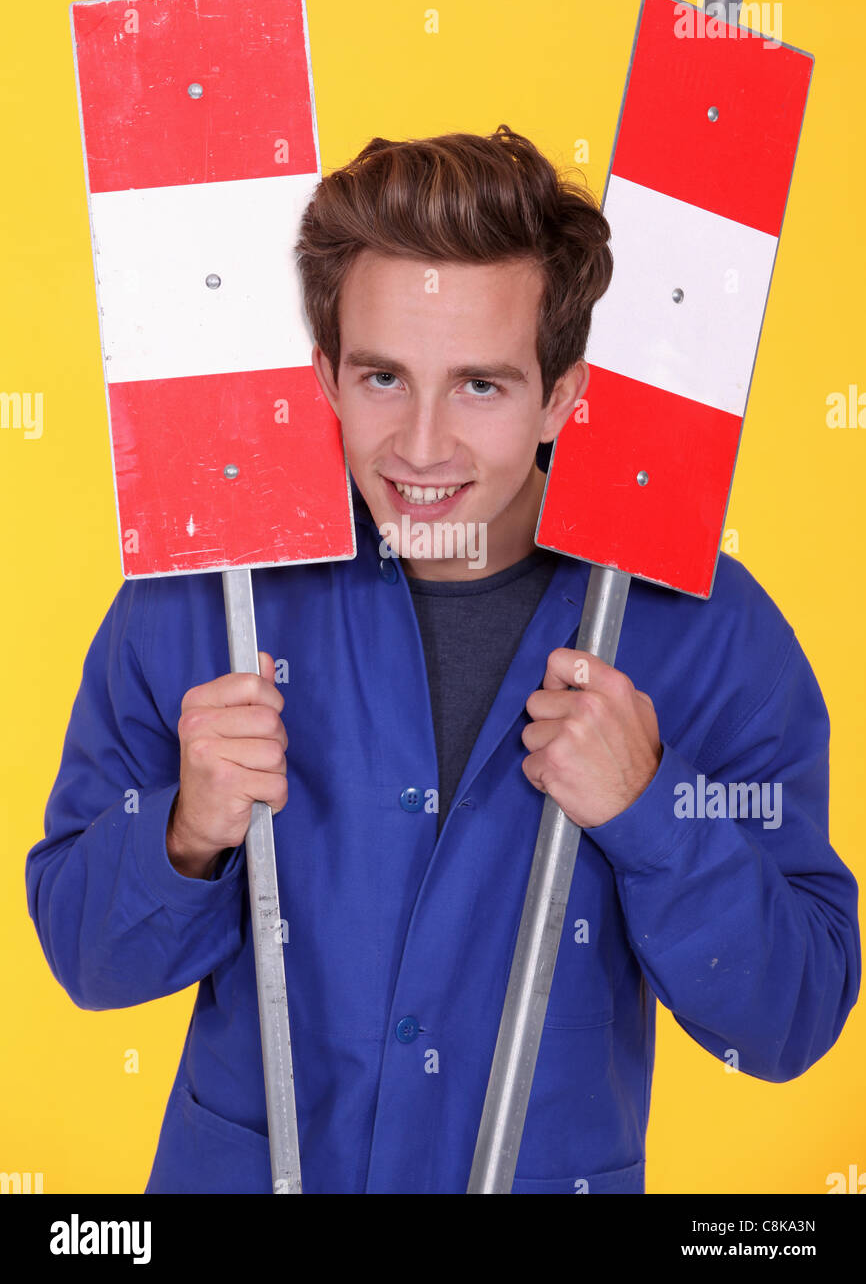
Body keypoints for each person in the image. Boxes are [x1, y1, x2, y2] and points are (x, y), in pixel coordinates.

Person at [26, 126, 860, 1195]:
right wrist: (184, 834)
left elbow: (785, 1016)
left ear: (563, 394)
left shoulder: (701, 626)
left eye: (480, 386)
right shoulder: (208, 592)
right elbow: (87, 962)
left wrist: (649, 809)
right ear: (324, 373)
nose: (420, 447)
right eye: (382, 376)